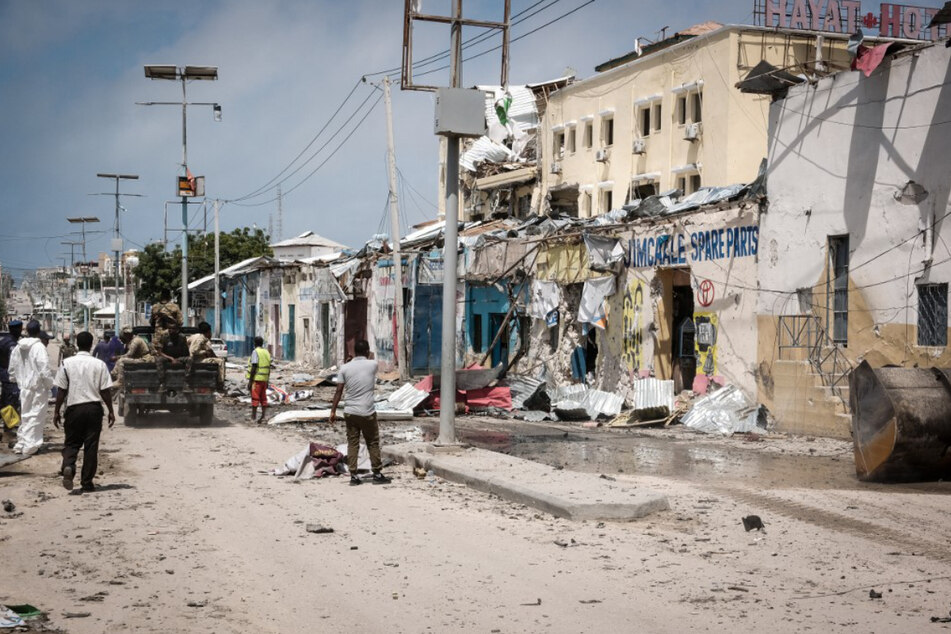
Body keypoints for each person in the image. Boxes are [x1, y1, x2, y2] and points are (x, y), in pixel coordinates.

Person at [52, 331, 115, 492]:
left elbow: (61, 390)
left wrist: (56, 411)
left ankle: (69, 466)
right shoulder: (99, 364)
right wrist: (111, 411)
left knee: (72, 443)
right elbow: (105, 391)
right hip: (94, 409)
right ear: (91, 344)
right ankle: (86, 482)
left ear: (77, 344)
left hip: (74, 409)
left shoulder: (66, 363)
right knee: (91, 446)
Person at [330, 339, 391, 486]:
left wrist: (332, 411)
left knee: (353, 443)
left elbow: (339, 391)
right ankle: (377, 473)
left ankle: (353, 476)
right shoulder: (373, 364)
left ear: (353, 352)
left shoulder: (344, 368)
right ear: (366, 351)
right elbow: (370, 357)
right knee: (372, 442)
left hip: (350, 411)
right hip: (367, 411)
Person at [8, 320, 55, 455]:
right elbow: (44, 369)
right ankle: (30, 446)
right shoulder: (39, 347)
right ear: (39, 331)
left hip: (24, 387)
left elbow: (12, 368)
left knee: (25, 415)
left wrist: (16, 381)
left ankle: (21, 443)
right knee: (36, 417)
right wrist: (49, 385)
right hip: (37, 388)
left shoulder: (18, 347)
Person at [152, 322, 190, 393]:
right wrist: (171, 358)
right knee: (158, 359)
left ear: (177, 330)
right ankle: (162, 384)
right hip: (167, 358)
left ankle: (186, 383)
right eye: (169, 328)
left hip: (179, 358)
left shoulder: (182, 337)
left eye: (173, 329)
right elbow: (159, 352)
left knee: (190, 359)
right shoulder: (164, 337)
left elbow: (186, 352)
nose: (171, 330)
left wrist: (180, 360)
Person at [187, 321, 225, 390]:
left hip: (191, 360)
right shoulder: (201, 339)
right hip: (197, 360)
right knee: (220, 361)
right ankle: (220, 382)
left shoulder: (195, 336)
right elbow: (193, 351)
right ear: (208, 332)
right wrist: (205, 352)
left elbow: (187, 342)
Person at [111, 327, 151, 391]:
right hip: (140, 359)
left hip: (144, 359)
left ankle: (120, 381)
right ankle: (114, 375)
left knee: (122, 361)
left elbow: (129, 355)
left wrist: (117, 357)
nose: (127, 335)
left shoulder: (136, 341)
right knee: (120, 360)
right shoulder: (130, 341)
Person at [0, 320, 23, 429]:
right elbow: (13, 363)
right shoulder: (11, 344)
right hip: (9, 378)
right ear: (17, 330)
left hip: (4, 376)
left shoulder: (4, 341)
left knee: (6, 402)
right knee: (10, 403)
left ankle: (8, 426)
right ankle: (9, 429)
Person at [246, 336, 271, 423]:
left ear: (255, 343)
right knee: (263, 398)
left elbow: (254, 366)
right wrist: (267, 380)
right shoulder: (266, 352)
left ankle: (253, 417)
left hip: (256, 379)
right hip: (264, 379)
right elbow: (269, 368)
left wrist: (250, 381)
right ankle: (263, 416)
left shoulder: (255, 352)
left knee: (255, 398)